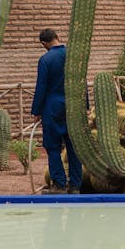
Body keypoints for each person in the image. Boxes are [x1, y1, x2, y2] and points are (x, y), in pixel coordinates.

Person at [31, 28, 83, 194]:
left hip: (52, 108)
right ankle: (75, 185)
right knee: (74, 147)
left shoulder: (45, 60)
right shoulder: (73, 57)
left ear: (44, 43)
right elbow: (82, 82)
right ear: (57, 37)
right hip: (73, 107)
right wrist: (85, 106)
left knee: (53, 147)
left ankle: (59, 184)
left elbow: (41, 87)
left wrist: (36, 111)